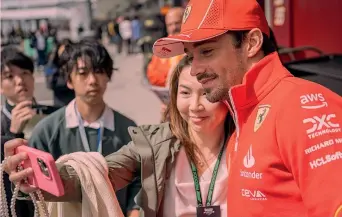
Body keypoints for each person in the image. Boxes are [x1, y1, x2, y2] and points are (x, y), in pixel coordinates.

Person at [152, 0, 342, 216]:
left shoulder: (303, 105)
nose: (194, 69)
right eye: (190, 56)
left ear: (251, 43)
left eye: (206, 51)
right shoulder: (238, 113)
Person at [3, 56, 235, 217]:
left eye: (206, 94)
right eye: (184, 93)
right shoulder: (156, 143)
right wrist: (37, 179)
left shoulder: (246, 142)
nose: (195, 106)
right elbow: (99, 173)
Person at [5, 41, 141, 217]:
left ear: (108, 76)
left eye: (99, 71)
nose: (92, 81)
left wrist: (135, 210)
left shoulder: (128, 128)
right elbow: (32, 190)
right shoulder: (47, 130)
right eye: (83, 73)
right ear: (69, 80)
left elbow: (139, 182)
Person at [0, 47, 59, 217]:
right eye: (9, 76)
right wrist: (12, 135)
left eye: (25, 73)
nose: (20, 81)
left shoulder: (55, 115)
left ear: (33, 77)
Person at [146, 7, 185, 87]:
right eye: (170, 25)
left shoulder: (194, 46)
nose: (174, 28)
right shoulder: (162, 47)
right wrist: (169, 78)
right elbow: (152, 75)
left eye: (177, 23)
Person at [44, 38, 75, 107]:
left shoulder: (75, 65)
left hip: (74, 103)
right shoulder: (53, 65)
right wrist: (52, 58)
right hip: (59, 104)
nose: (65, 54)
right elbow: (50, 83)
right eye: (62, 52)